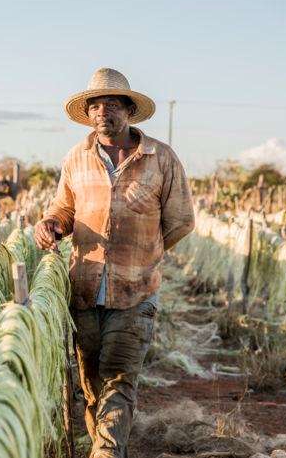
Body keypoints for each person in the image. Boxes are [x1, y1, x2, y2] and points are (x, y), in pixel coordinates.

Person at [35, 68, 195, 458]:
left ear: (129, 110)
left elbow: (181, 221)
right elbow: (65, 207)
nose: (102, 112)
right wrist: (52, 222)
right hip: (84, 291)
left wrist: (145, 254)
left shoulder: (161, 158)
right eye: (95, 106)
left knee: (120, 380)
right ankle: (106, 447)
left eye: (111, 105)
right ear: (87, 113)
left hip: (136, 292)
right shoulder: (77, 157)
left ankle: (106, 453)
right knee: (91, 387)